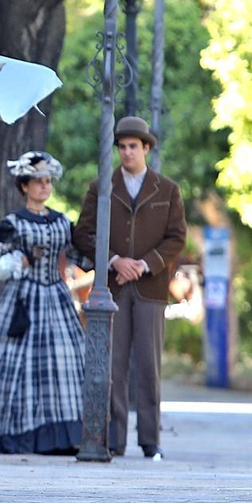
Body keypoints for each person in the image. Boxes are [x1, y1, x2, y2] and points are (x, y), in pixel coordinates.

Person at [71, 117, 187, 459]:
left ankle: (151, 439)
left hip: (151, 288)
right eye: (121, 147)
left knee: (149, 366)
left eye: (133, 146)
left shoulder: (167, 189)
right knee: (113, 365)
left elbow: (177, 237)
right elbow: (83, 234)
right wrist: (113, 260)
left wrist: (145, 263)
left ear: (146, 148)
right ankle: (115, 438)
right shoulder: (101, 187)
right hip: (114, 288)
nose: (126, 153)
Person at [0, 151, 85, 456]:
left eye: (47, 181)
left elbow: (81, 257)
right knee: (14, 366)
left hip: (56, 297)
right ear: (24, 186)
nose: (44, 186)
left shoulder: (62, 222)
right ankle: (16, 432)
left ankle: (62, 435)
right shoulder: (12, 223)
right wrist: (25, 259)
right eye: (37, 182)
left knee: (63, 361)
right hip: (21, 301)